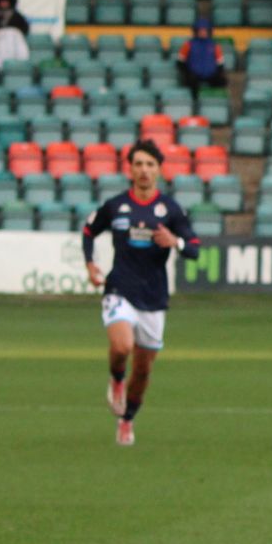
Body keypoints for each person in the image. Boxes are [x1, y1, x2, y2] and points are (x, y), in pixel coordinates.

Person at [81, 140, 202, 448]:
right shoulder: (116, 205)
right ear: (130, 169)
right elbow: (89, 230)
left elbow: (195, 250)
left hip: (153, 297)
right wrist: (91, 264)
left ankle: (127, 419)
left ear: (159, 170)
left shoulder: (171, 210)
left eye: (150, 165)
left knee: (145, 368)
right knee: (122, 347)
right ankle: (116, 379)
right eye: (139, 164)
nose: (144, 170)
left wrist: (174, 242)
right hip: (120, 287)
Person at [177, 19, 226, 90]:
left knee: (221, 81)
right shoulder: (188, 45)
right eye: (200, 30)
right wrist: (187, 72)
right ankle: (194, 100)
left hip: (211, 74)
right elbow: (180, 61)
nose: (203, 32)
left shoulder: (215, 45)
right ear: (196, 31)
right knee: (190, 81)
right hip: (194, 75)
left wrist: (217, 72)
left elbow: (220, 63)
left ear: (209, 31)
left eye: (205, 30)